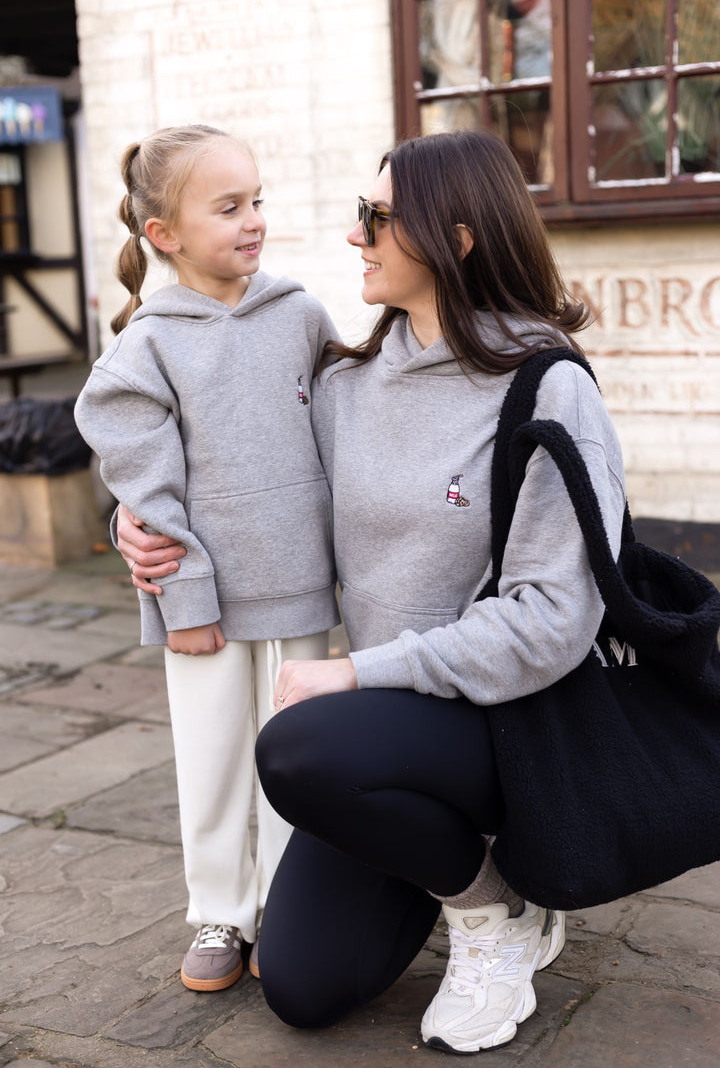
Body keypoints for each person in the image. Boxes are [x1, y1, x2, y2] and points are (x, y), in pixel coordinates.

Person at [117, 129, 626, 1054]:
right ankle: (463, 872)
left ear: (458, 238)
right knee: (307, 987)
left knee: (301, 746)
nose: (356, 235)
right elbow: (251, 484)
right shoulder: (348, 381)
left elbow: (556, 620)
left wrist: (359, 673)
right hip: (387, 731)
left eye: (378, 216)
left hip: (508, 722)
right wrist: (141, 524)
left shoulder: (547, 390)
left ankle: (490, 911)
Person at [74, 124, 339, 994]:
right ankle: (220, 909)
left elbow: (346, 438)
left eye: (257, 199)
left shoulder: (301, 315)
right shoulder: (148, 346)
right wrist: (182, 595)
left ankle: (290, 903)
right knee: (214, 754)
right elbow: (147, 489)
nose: (253, 219)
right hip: (205, 606)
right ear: (165, 234)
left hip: (303, 587)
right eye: (229, 207)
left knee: (294, 752)